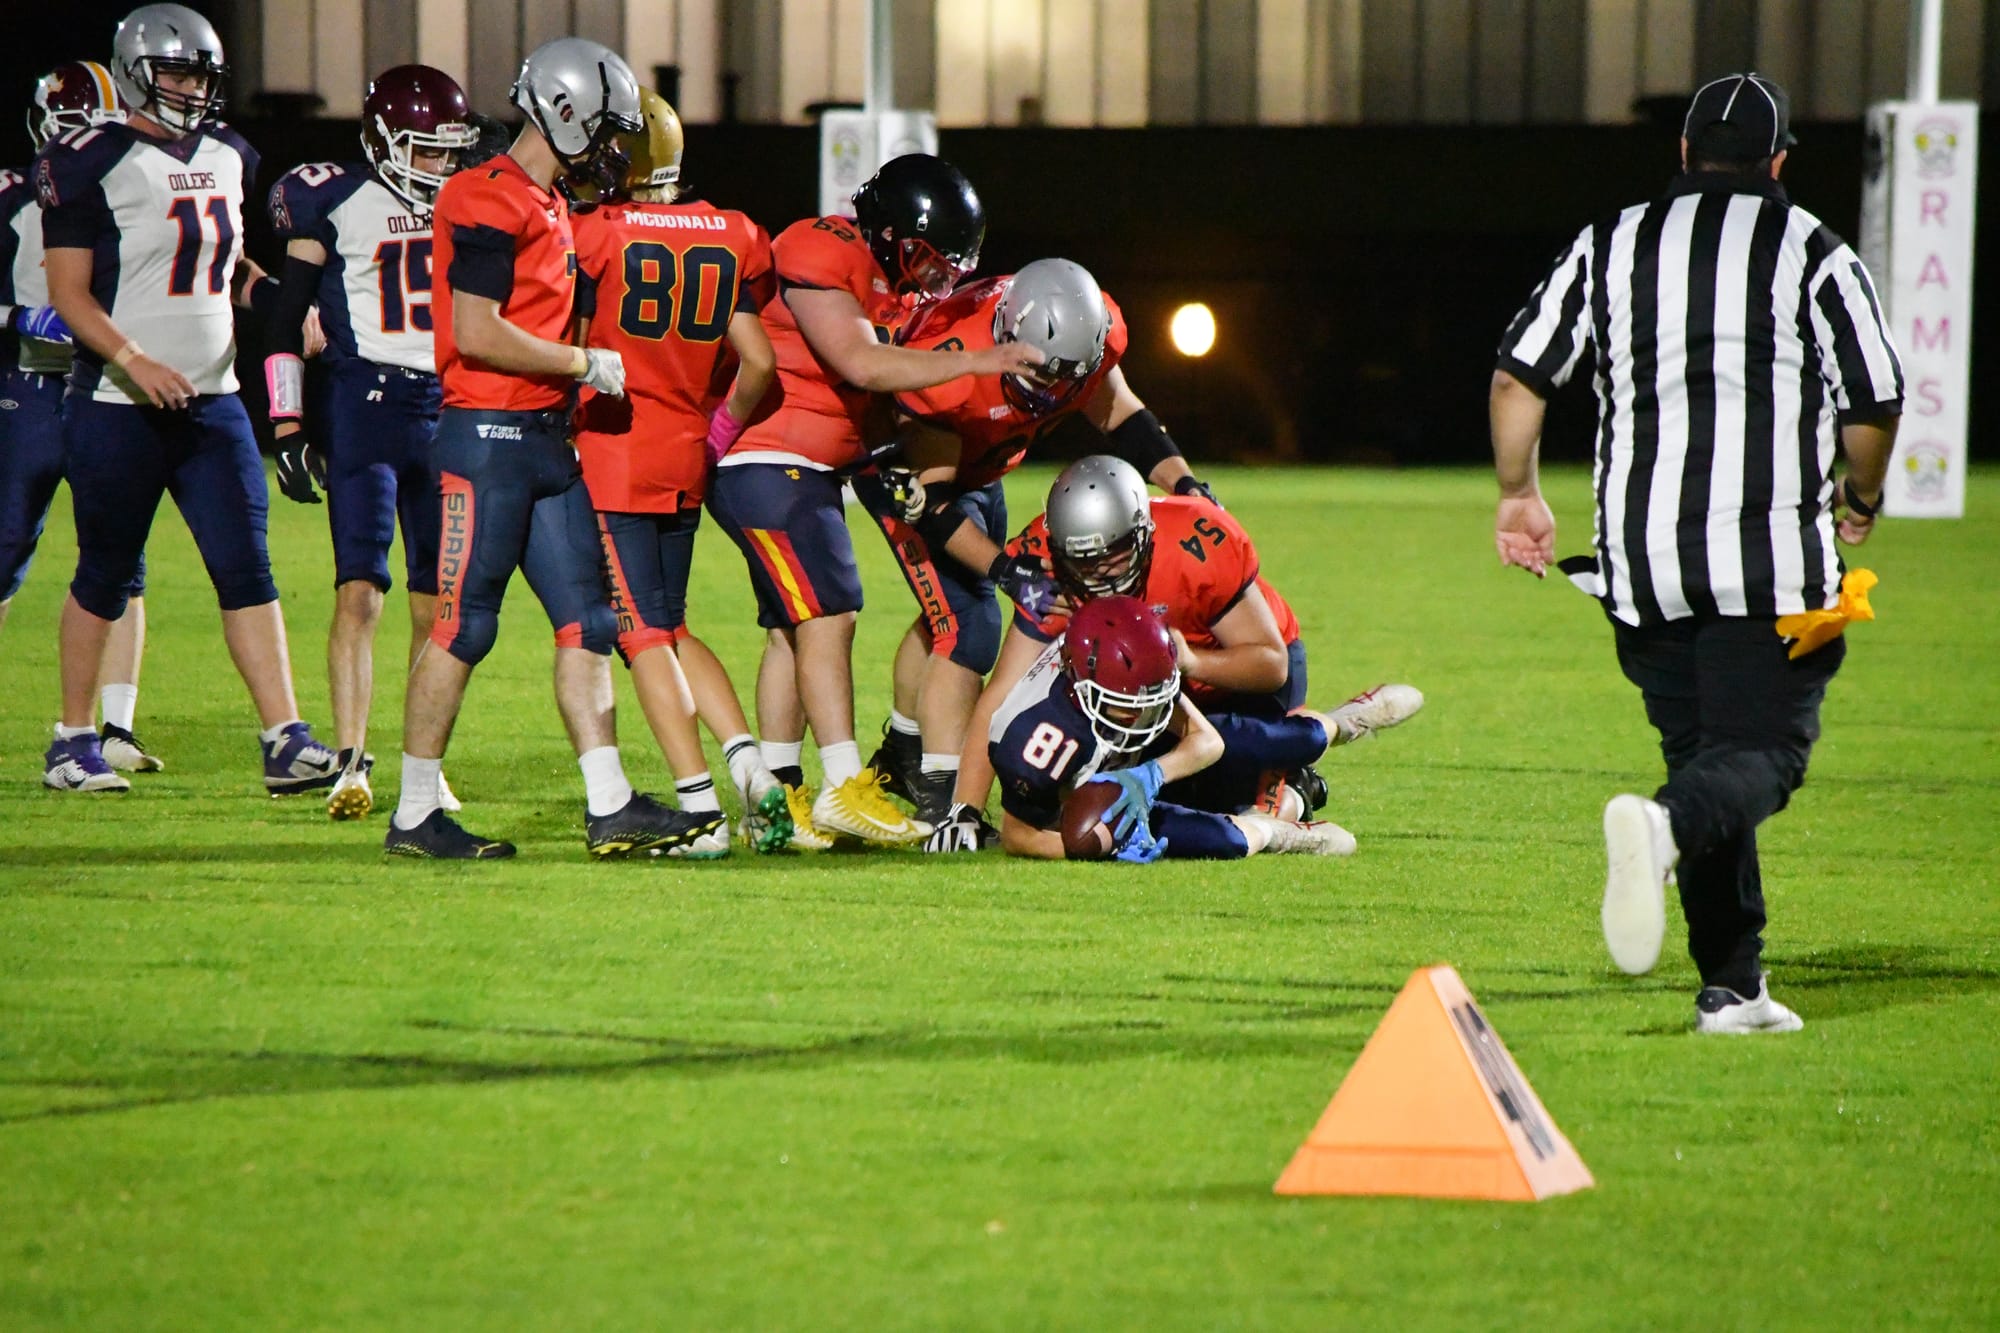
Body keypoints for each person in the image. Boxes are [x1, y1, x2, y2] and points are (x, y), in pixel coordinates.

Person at [1489, 72, 1903, 1034]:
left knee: (1707, 759)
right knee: (1766, 754)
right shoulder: (1813, 252)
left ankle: (1732, 985)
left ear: (1682, 153)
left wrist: (1519, 495)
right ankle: (1664, 828)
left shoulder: (1611, 242)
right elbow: (1874, 400)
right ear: (1780, 161)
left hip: (1641, 569)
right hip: (1767, 567)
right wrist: (1862, 495)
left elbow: (1520, 375)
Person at [386, 37, 718, 860]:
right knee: (464, 628)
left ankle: (609, 802)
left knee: (590, 620)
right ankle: (414, 813)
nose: (612, 152)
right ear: (565, 114)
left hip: (543, 439)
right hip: (488, 438)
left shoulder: (548, 205)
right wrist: (581, 361)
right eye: (605, 131)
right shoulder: (484, 196)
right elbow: (476, 330)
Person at [37, 5, 338, 795]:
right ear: (137, 69)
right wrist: (136, 360)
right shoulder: (88, 158)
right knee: (104, 571)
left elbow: (226, 262)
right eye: (176, 73)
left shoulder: (229, 154)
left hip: (212, 401)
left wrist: (281, 301)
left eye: (201, 77)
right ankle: (71, 740)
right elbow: (69, 294)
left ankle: (284, 736)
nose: (189, 90)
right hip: (115, 400)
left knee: (249, 569)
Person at [705, 153, 1042, 849]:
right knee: (833, 612)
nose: (939, 276)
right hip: (770, 460)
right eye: (930, 257)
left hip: (801, 466)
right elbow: (861, 364)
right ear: (888, 231)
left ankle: (781, 800)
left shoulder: (893, 285)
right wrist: (978, 360)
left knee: (791, 630)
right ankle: (842, 785)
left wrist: (886, 455)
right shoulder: (820, 247)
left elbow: (870, 396)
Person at [862, 257, 1218, 824]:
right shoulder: (953, 363)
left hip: (982, 465)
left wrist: (1186, 483)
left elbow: (1120, 412)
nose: (1053, 394)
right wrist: (1006, 570)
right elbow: (933, 506)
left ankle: (901, 753)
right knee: (971, 622)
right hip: (915, 479)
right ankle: (939, 789)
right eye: (1041, 376)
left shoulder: (1087, 333)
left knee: (943, 613)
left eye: (1066, 380)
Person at [571, 87, 791, 857]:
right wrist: (717, 433)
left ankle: (697, 810)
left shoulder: (595, 232)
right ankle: (753, 769)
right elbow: (760, 361)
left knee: (640, 637)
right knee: (673, 621)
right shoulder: (731, 231)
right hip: (686, 452)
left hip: (614, 454)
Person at [264, 63, 478, 820]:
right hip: (366, 405)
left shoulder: (471, 200)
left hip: (446, 409)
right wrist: (286, 422)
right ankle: (352, 760)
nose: (441, 165)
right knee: (360, 591)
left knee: (436, 605)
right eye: (426, 149)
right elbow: (286, 313)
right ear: (385, 139)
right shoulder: (335, 197)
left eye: (449, 150)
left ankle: (425, 766)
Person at [928, 455, 1306, 849]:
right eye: (1083, 560)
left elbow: (1271, 664)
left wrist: (1191, 661)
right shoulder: (1049, 564)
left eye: (1113, 554)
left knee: (1242, 802)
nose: (1098, 573)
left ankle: (1288, 776)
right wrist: (965, 811)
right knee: (1110, 809)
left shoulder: (1195, 546)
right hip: (1144, 698)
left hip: (1241, 684)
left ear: (1144, 532)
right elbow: (1005, 688)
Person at [3, 61, 162, 778]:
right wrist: (17, 316)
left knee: (121, 563)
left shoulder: (136, 183)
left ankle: (117, 725)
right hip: (30, 386)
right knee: (6, 550)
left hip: (104, 388)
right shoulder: (12, 197)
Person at [988, 597, 1417, 861]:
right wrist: (1089, 844)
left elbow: (1206, 741)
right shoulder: (1034, 740)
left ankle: (1347, 721)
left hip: (1135, 761)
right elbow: (1018, 834)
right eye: (1125, 707)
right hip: (1092, 791)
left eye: (1149, 701)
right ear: (1081, 687)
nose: (1142, 716)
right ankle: (1284, 834)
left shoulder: (1134, 666)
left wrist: (1150, 775)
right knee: (1227, 840)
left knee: (1279, 742)